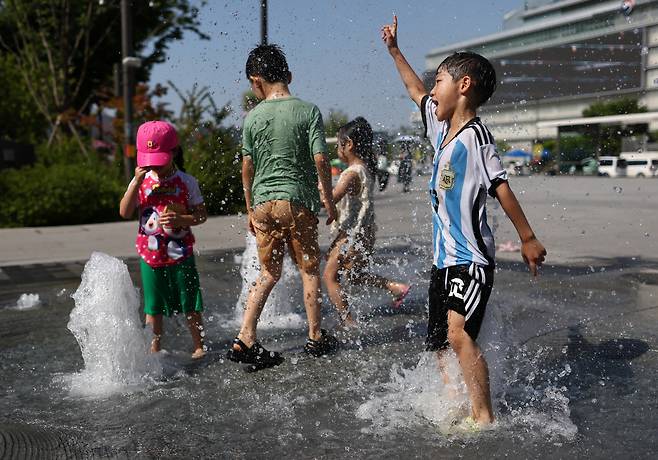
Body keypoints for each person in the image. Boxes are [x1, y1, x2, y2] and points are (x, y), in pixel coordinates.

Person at [382, 16, 546, 427]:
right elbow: (413, 90)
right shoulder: (440, 130)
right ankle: (454, 402)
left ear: (464, 85)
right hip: (442, 261)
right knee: (439, 343)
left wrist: (528, 238)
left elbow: (501, 187)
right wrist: (395, 51)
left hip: (470, 259)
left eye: (439, 81)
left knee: (458, 334)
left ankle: (483, 416)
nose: (432, 88)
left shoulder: (477, 137)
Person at [226, 44, 339, 368]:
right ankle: (316, 336)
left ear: (256, 81)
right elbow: (320, 158)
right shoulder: (308, 111)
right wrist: (328, 200)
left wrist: (250, 208)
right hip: (296, 202)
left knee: (268, 272)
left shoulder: (253, 117)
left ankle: (245, 336)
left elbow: (247, 167)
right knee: (308, 268)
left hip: (262, 204)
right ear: (289, 76)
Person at [119, 120, 208, 359]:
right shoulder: (141, 182)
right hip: (150, 254)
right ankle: (154, 348)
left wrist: (183, 220)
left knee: (190, 301)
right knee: (153, 307)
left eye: (159, 158)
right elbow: (124, 212)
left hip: (181, 253)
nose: (154, 166)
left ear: (174, 152)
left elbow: (201, 215)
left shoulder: (187, 182)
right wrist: (135, 182)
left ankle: (198, 344)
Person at [323, 117, 410, 327]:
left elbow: (330, 200)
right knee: (354, 276)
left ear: (349, 145)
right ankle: (395, 287)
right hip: (364, 232)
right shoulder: (364, 168)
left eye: (339, 145)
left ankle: (348, 321)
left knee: (329, 276)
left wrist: (318, 188)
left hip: (353, 234)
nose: (337, 149)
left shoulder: (351, 173)